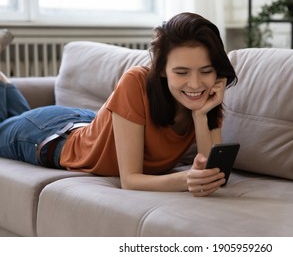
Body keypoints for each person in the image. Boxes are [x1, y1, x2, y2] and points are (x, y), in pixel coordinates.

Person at [0, 12, 238, 197]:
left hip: (89, 123)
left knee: (17, 117)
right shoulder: (136, 81)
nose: (195, 84)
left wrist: (200, 115)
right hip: (51, 135)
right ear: (162, 70)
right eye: (182, 72)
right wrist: (185, 180)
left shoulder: (206, 98)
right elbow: (131, 180)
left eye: (206, 71)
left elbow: (211, 174)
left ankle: (4, 82)